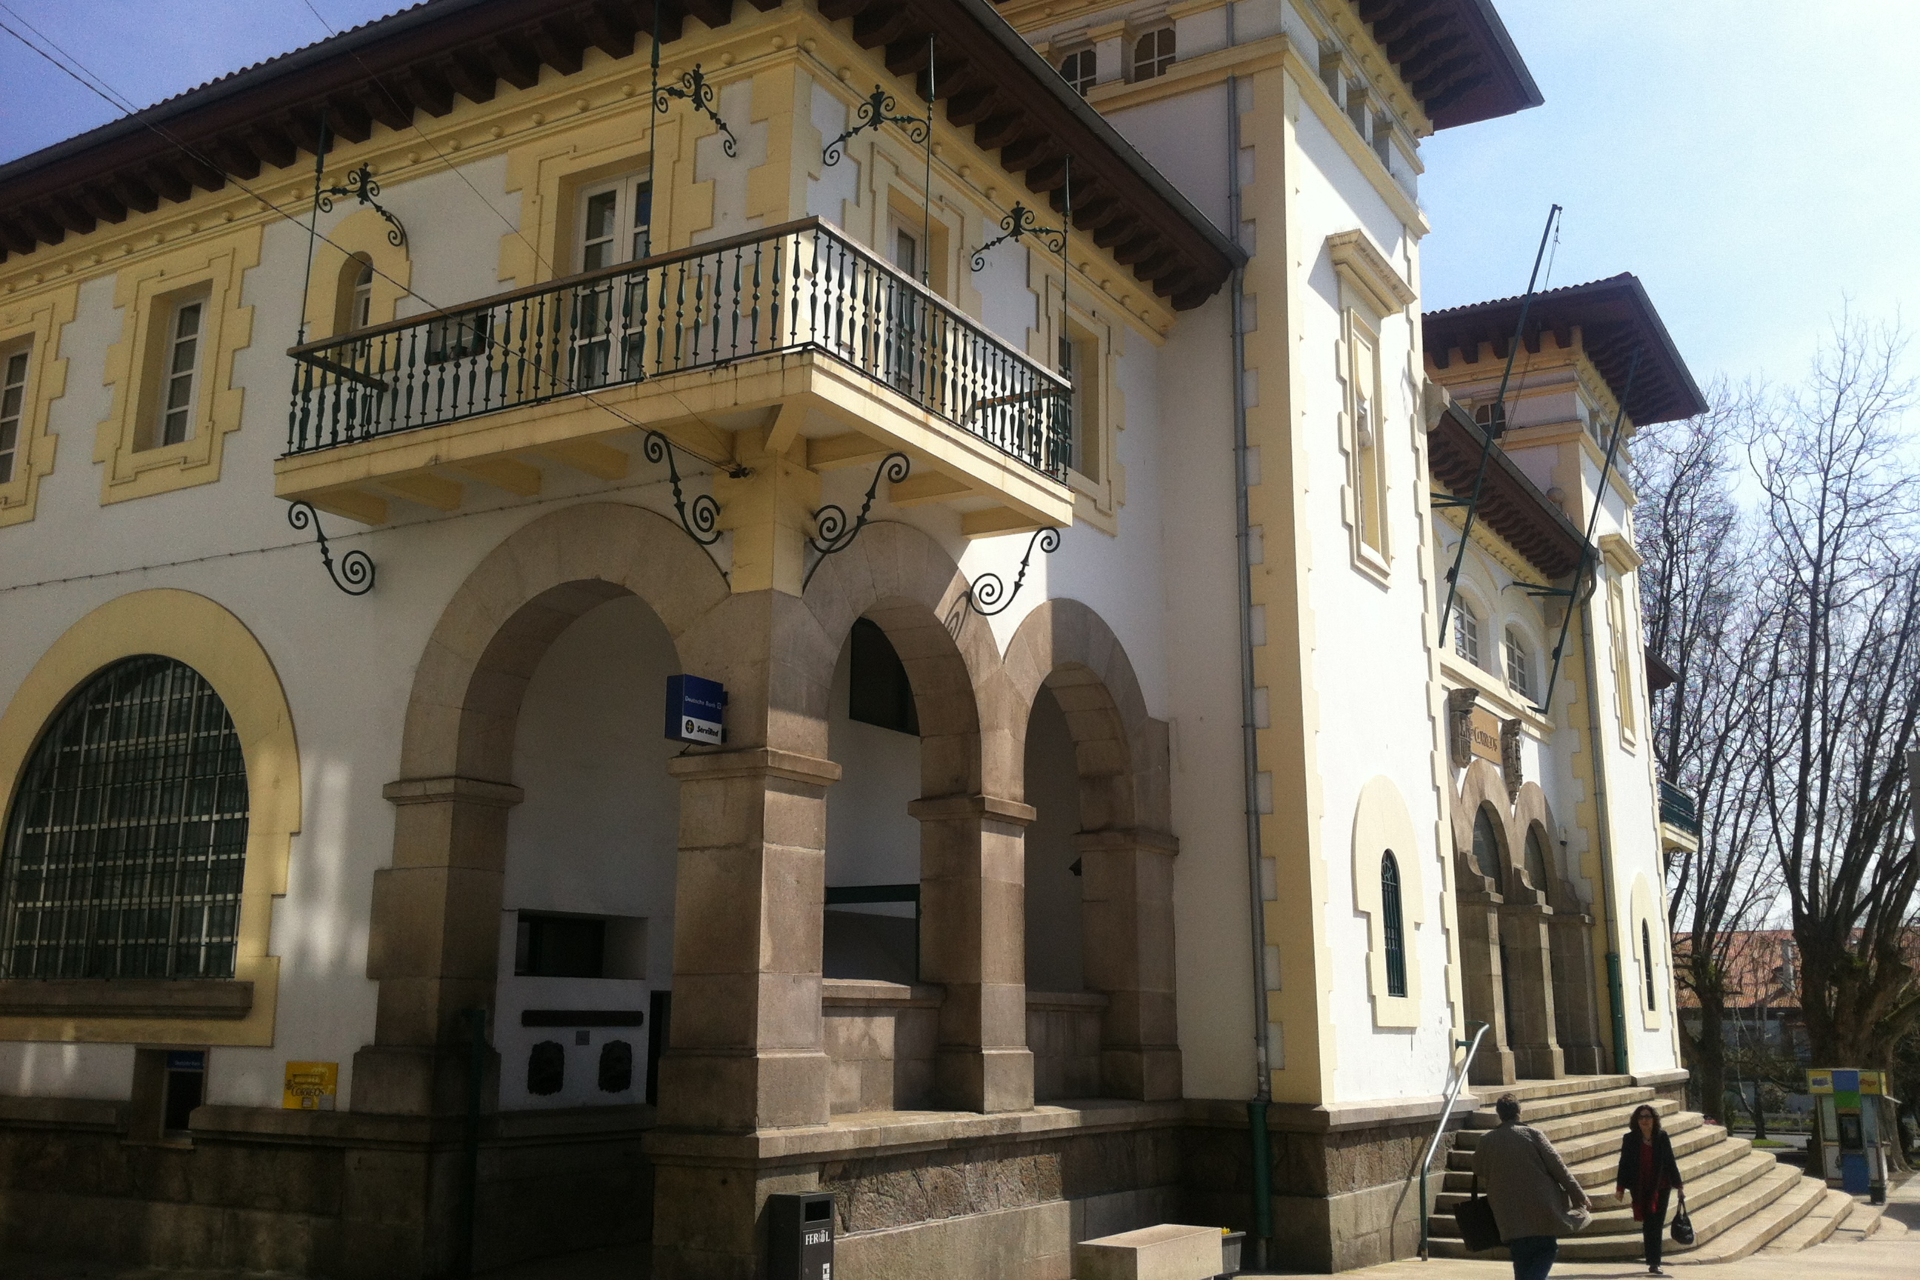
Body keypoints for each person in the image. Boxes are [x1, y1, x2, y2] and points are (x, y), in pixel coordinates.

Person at [1473, 1093, 1594, 1280]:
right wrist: (1579, 1195)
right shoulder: (1533, 1134)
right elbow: (1558, 1168)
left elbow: (1478, 1168)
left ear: (1499, 1114)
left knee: (1521, 1256)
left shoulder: (1486, 1140)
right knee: (1547, 1249)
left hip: (1507, 1210)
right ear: (1519, 1112)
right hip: (1541, 1207)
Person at [1614, 1103, 1684, 1276]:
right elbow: (1624, 1164)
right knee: (1648, 1224)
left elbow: (1670, 1162)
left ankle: (1655, 1262)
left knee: (1657, 1224)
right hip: (1640, 1187)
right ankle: (1651, 1259)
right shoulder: (1630, 1139)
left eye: (1648, 1117)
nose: (1644, 1120)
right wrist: (1620, 1188)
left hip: (1661, 1187)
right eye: (1641, 1117)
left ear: (1654, 1120)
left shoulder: (1662, 1137)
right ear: (1636, 1121)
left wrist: (1679, 1186)